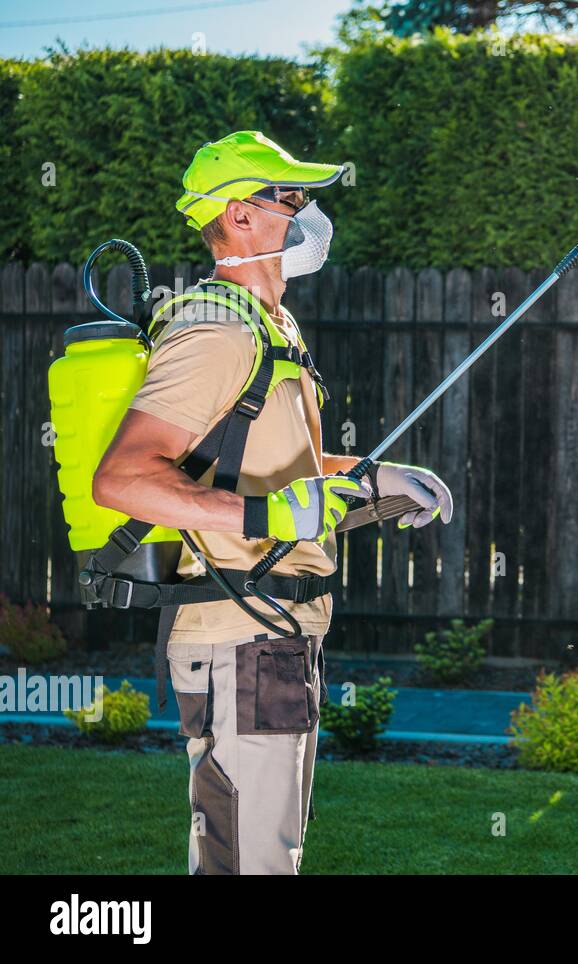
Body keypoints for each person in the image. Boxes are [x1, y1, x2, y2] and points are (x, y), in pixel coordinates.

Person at [93, 130, 453, 875]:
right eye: (290, 197)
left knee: (267, 851)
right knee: (250, 862)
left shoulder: (270, 324)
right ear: (240, 216)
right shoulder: (215, 330)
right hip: (240, 636)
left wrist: (378, 479)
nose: (309, 212)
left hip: (279, 631)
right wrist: (271, 516)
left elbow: (278, 468)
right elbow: (123, 478)